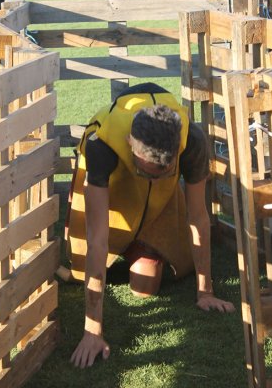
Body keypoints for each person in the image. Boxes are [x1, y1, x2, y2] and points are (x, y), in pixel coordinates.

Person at [67, 82, 235, 369]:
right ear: (131, 144)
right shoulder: (101, 145)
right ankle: (110, 257)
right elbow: (97, 239)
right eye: (145, 172)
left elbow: (198, 217)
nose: (152, 179)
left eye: (162, 174)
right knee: (78, 267)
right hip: (113, 199)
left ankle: (137, 249)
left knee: (145, 285)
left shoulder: (192, 142)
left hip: (159, 208)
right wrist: (92, 330)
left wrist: (205, 291)